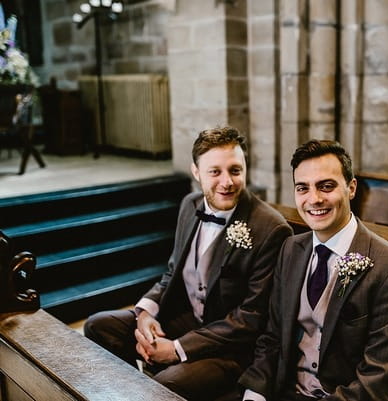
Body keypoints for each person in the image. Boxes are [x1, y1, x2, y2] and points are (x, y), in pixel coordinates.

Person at [85, 126, 293, 400]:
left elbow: (251, 318)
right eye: (214, 171)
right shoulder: (189, 204)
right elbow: (172, 273)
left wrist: (177, 349)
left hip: (231, 348)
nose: (227, 182)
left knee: (164, 385)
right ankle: (136, 385)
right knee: (99, 326)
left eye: (235, 170)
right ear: (196, 172)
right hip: (185, 321)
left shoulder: (271, 229)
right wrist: (146, 313)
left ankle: (153, 381)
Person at [239, 139, 388, 400]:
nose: (314, 199)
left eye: (326, 186)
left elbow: (380, 378)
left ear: (351, 188)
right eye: (303, 188)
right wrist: (254, 392)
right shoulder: (290, 249)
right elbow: (273, 338)